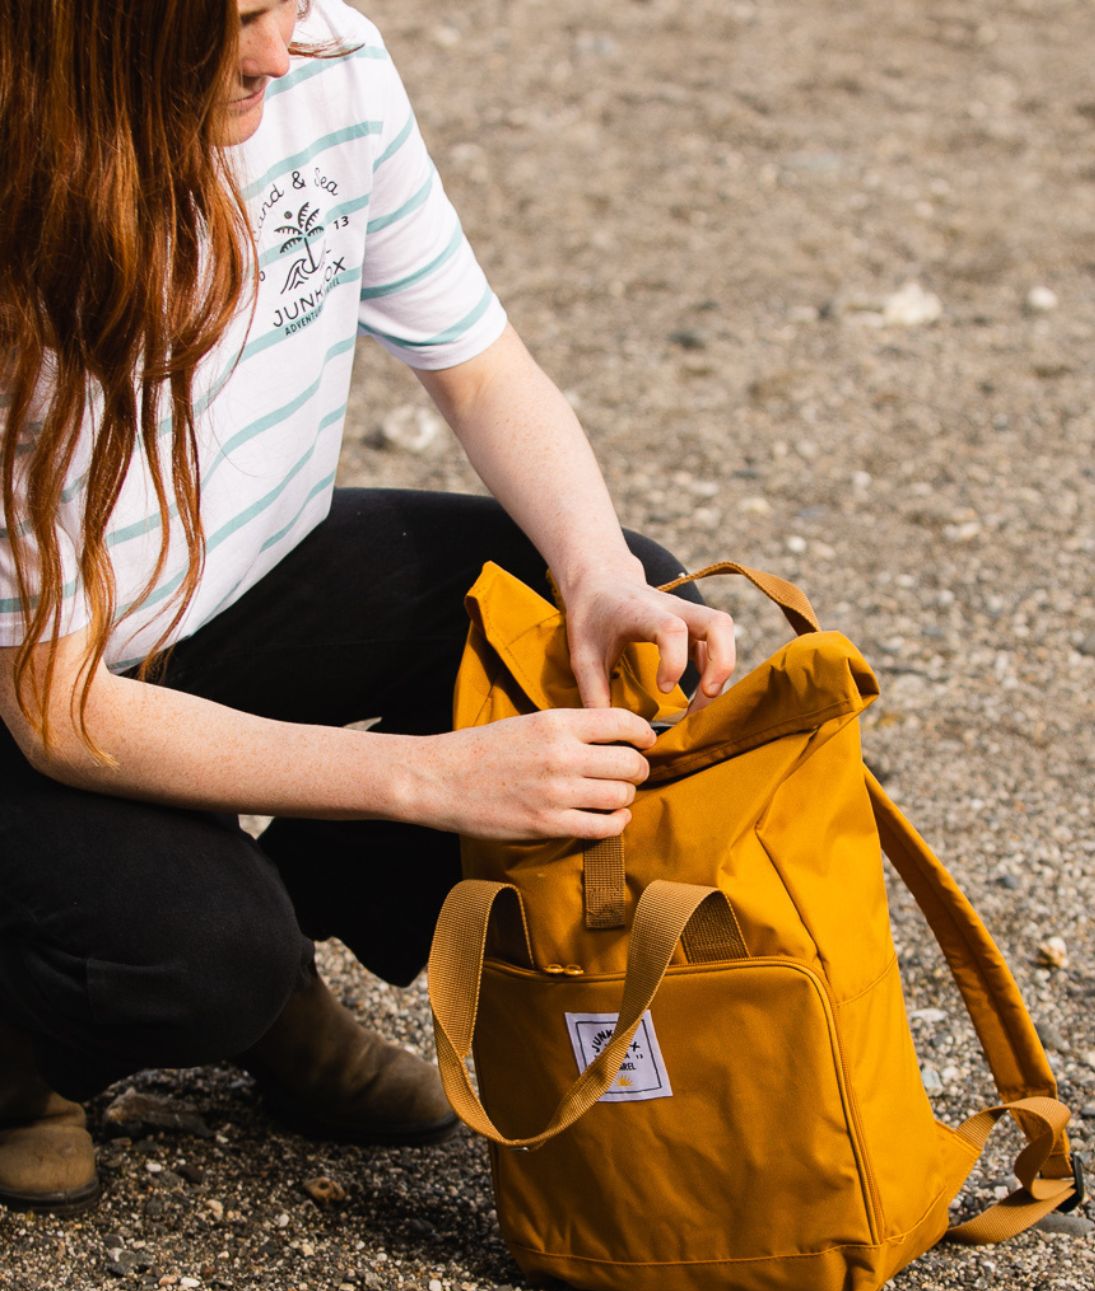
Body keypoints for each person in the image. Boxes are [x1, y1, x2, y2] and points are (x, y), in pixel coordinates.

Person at [0, 0, 736, 1214]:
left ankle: (279, 940)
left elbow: (481, 365)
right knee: (202, 955)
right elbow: (55, 711)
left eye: (287, 2)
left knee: (592, 626)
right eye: (238, 21)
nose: (281, 49)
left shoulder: (326, 65)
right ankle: (47, 1036)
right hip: (35, 682)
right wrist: (436, 779)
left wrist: (599, 575)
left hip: (222, 583)